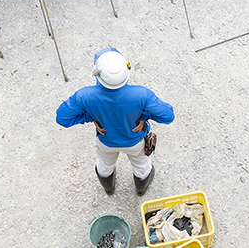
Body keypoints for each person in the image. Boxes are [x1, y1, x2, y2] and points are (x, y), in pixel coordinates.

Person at [56, 48, 175, 196]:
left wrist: (90, 117)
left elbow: (62, 118)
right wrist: (144, 117)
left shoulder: (84, 96)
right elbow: (168, 116)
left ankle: (109, 189)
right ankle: (141, 189)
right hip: (135, 140)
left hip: (106, 140)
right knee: (141, 165)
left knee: (105, 165)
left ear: (97, 74)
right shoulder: (142, 94)